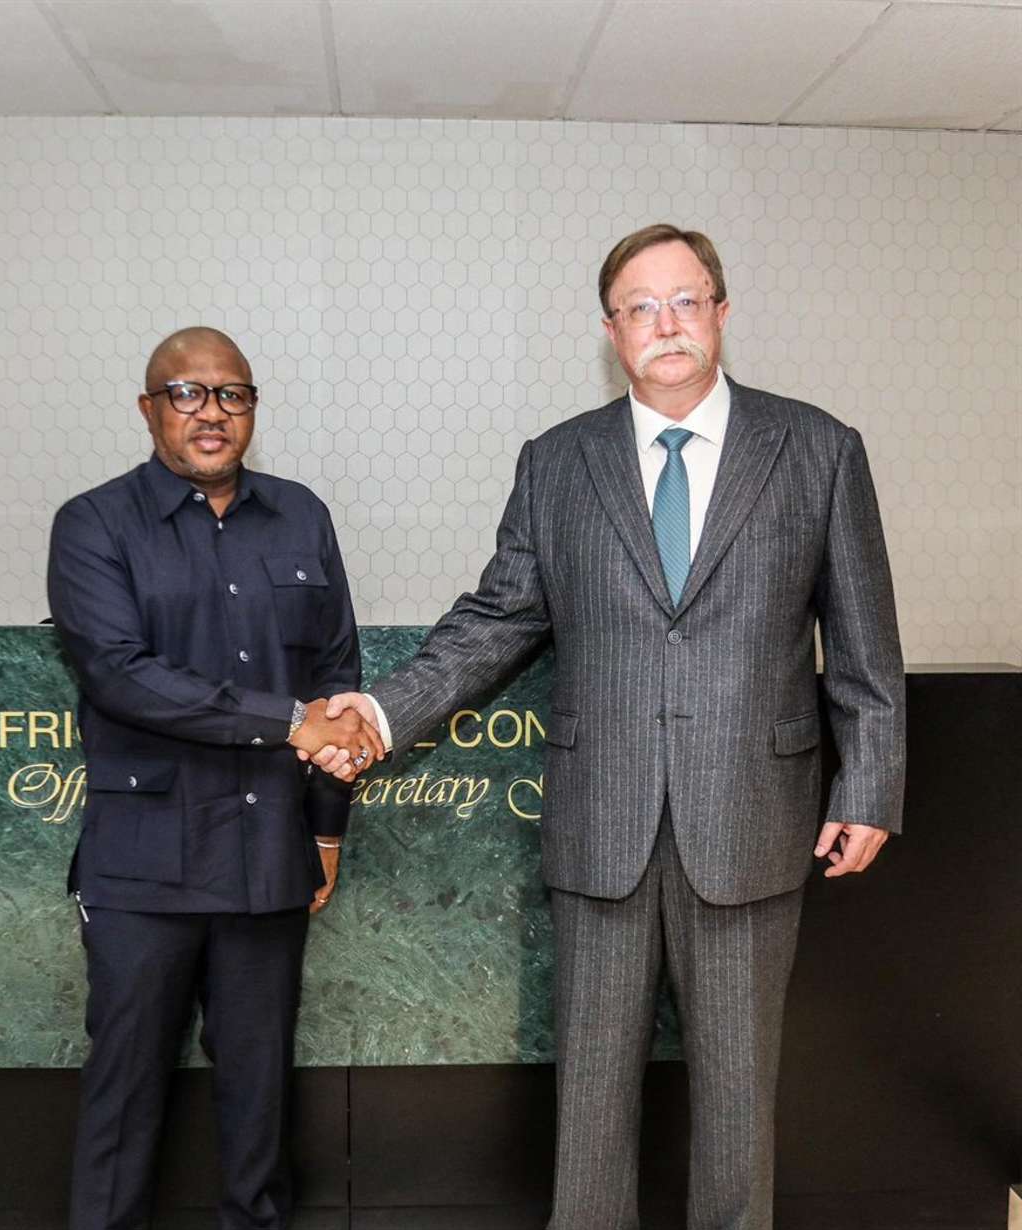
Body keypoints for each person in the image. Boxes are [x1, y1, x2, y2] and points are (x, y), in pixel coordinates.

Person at [318, 226, 906, 1229]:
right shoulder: (558, 463)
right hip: (601, 822)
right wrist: (379, 711)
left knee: (740, 1102)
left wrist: (871, 787)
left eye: (685, 300)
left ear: (720, 312)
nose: (665, 323)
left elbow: (864, 644)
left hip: (754, 818)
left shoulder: (818, 449)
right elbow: (496, 620)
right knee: (589, 1101)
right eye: (641, 307)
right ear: (611, 330)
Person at [47, 326, 383, 1230]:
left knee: (260, 1098)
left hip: (268, 855)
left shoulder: (301, 515)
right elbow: (121, 675)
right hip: (143, 866)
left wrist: (326, 829)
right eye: (187, 393)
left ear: (252, 409)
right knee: (124, 1093)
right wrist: (289, 721)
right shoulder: (93, 523)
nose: (211, 412)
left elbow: (337, 678)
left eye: (232, 394)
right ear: (149, 407)